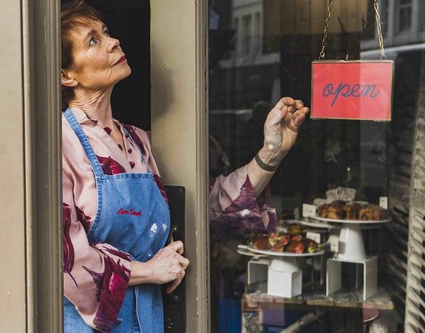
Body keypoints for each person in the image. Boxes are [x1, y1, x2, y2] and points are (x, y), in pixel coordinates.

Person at [60, 1, 309, 332]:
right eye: (93, 40)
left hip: (149, 320)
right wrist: (150, 270)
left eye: (106, 32)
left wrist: (271, 153)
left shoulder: (138, 142)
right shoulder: (60, 145)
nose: (113, 41)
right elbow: (64, 262)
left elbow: (210, 206)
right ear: (66, 74)